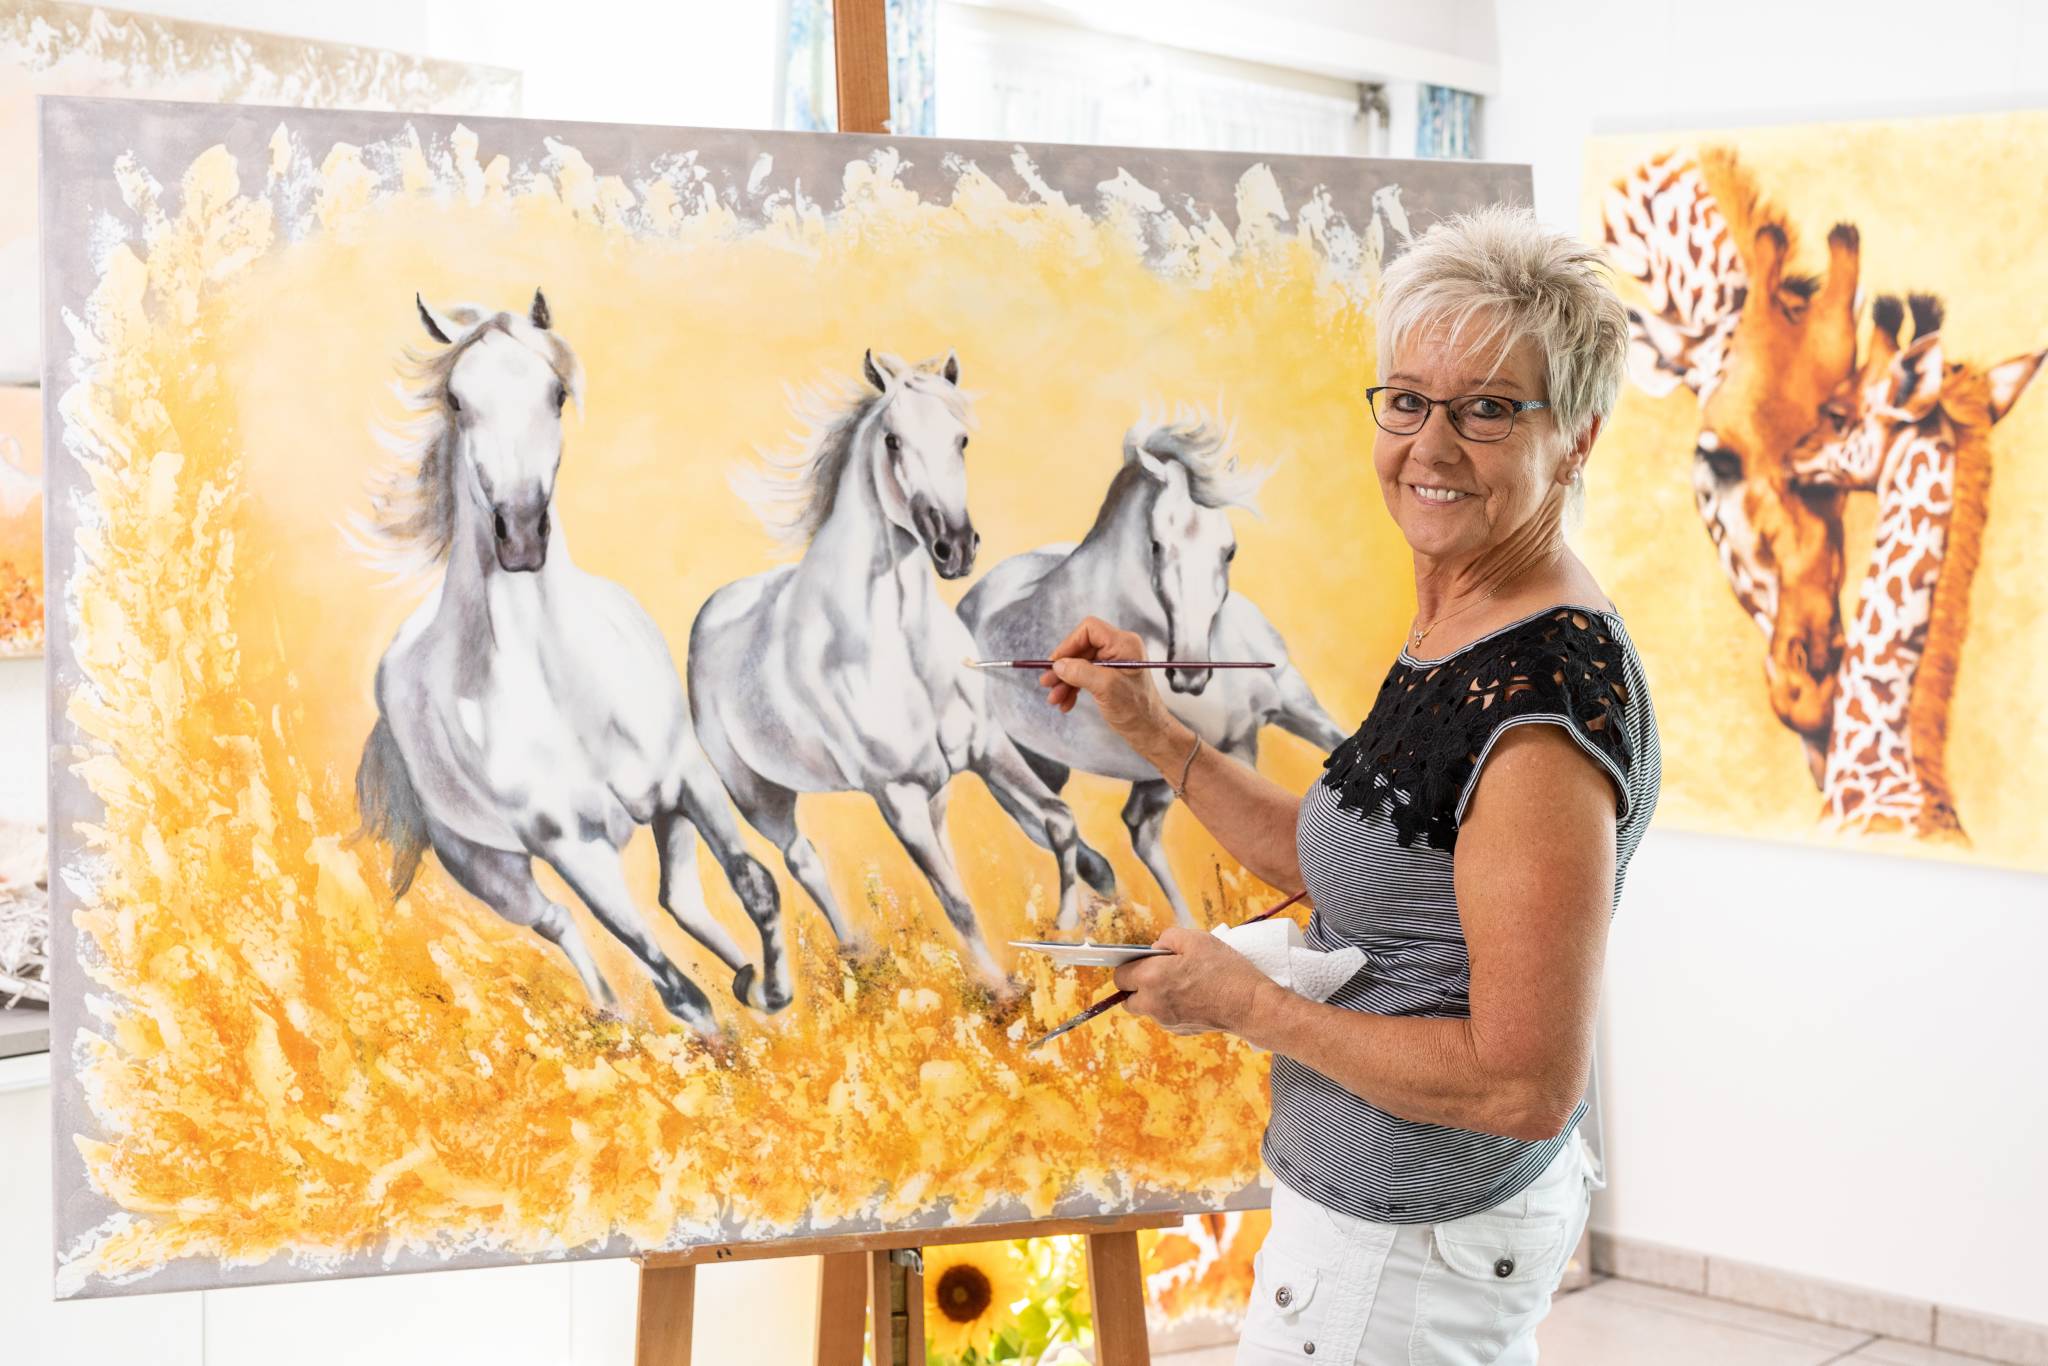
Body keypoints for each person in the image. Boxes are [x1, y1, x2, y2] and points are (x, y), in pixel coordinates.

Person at [1040, 205, 1660, 1365]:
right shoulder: (1461, 621)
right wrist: (1153, 730)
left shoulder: (1535, 709)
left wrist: (1249, 1007)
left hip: (1403, 1254)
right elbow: (1357, 853)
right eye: (1407, 400)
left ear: (1574, 437)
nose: (1431, 444)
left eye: (1487, 408)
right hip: (1389, 1237)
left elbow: (1522, 1084)